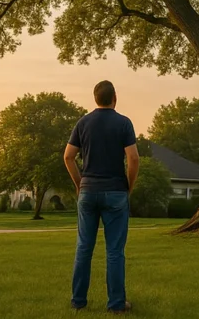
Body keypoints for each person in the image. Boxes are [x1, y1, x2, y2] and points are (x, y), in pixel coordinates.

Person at [64, 80, 139, 313]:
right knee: (114, 251)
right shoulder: (124, 123)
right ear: (114, 97)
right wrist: (129, 186)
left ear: (95, 98)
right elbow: (134, 158)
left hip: (88, 192)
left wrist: (80, 183)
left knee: (84, 248)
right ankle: (116, 304)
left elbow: (68, 156)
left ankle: (78, 301)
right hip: (116, 192)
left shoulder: (83, 123)